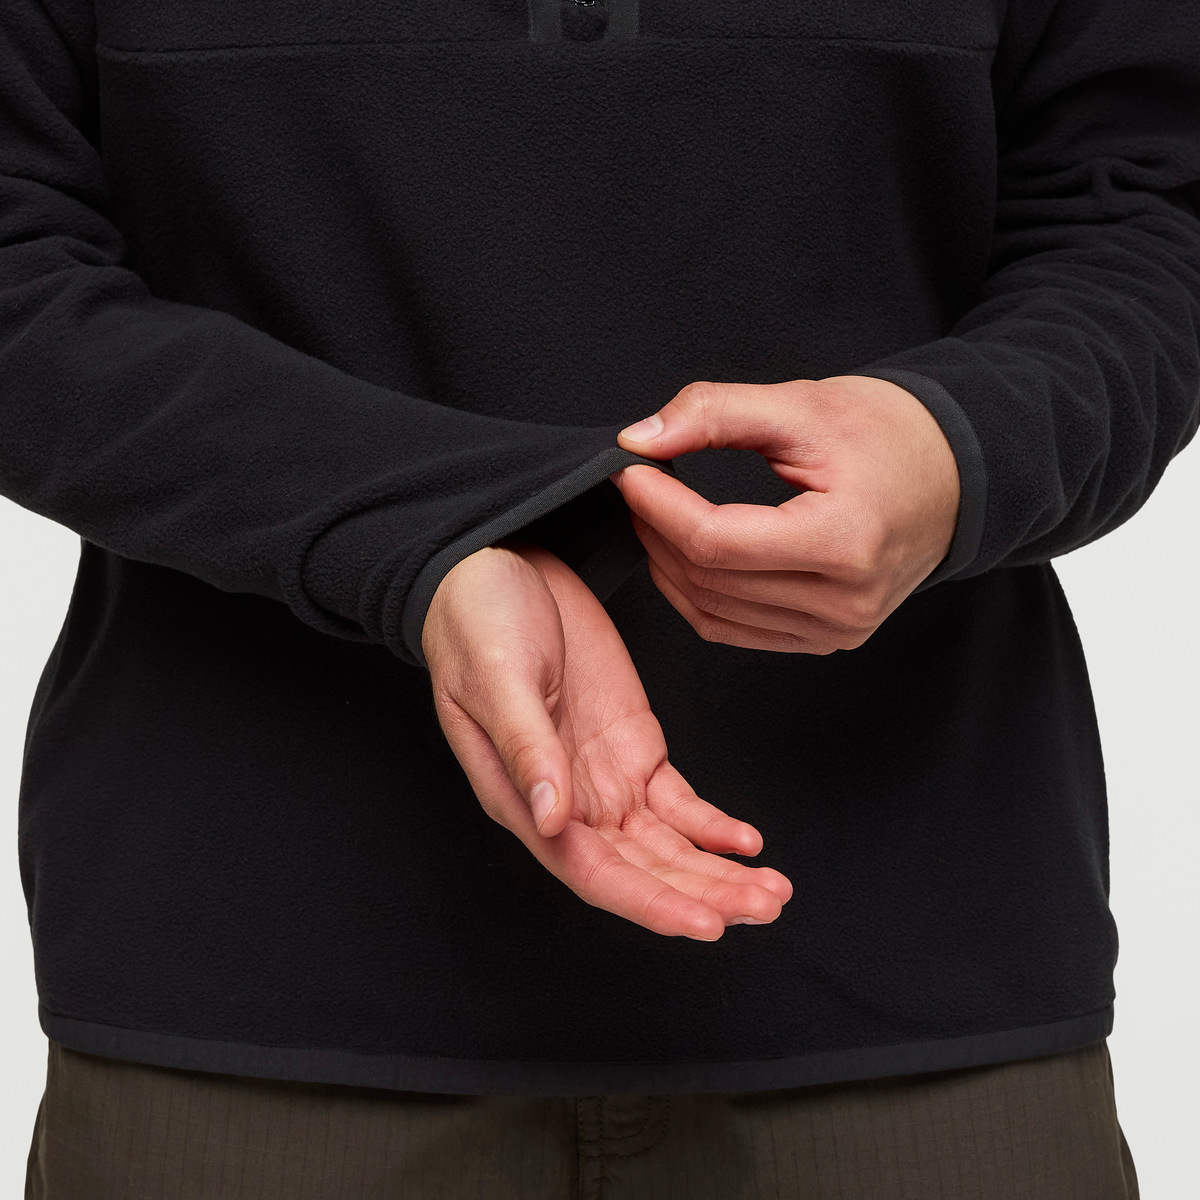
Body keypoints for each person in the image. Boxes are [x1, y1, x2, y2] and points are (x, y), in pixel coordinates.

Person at [2, 0, 1196, 1195]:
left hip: (931, 977)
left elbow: (1149, 213)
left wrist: (958, 448)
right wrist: (423, 533)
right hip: (232, 995)